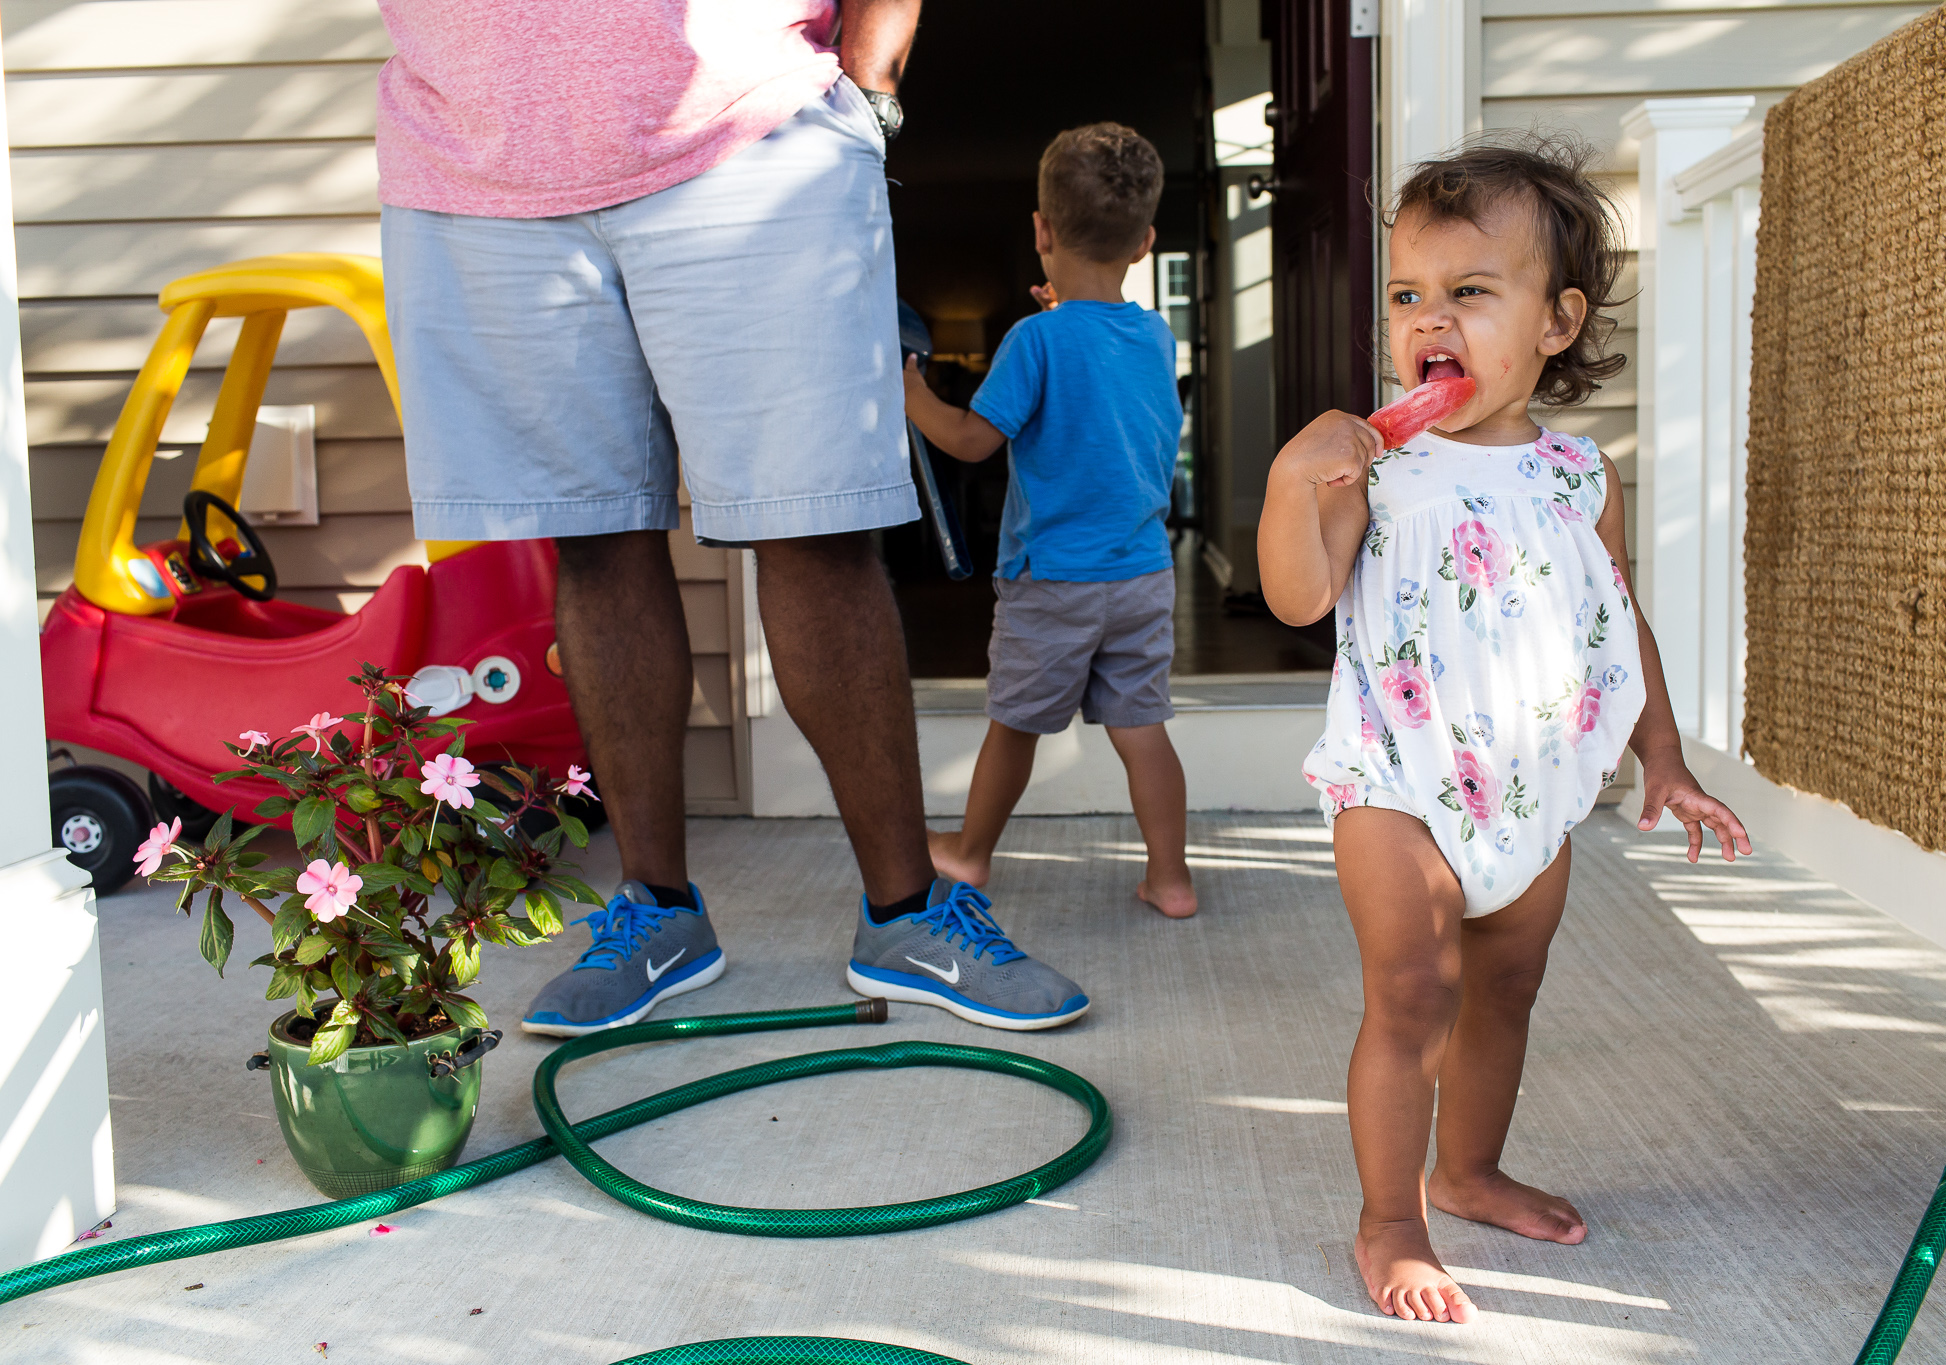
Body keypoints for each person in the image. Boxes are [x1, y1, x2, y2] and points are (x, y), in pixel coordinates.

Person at [373, 0, 1089, 1035]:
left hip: (749, 133)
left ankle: (906, 914)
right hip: (473, 169)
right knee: (594, 539)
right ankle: (657, 914)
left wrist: (874, 70)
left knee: (816, 532)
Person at [1256, 137, 1752, 1323]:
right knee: (1413, 992)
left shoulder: (1579, 475)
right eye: (1407, 295)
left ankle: (1466, 1171)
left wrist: (1665, 760)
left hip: (1529, 785)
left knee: (1507, 989)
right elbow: (1296, 600)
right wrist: (1291, 483)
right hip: (1399, 778)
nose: (1430, 319)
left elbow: (1612, 615)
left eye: (1469, 293)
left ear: (1555, 321)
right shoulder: (1370, 467)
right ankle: (1389, 1220)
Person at [901, 124, 1198, 921]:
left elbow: (970, 439)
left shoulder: (1033, 339)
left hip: (1054, 582)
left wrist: (912, 395)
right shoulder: (1154, 335)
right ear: (1144, 243)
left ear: (1040, 231)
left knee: (1015, 725)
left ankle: (968, 852)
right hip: (1141, 573)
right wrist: (1071, 314)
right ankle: (1170, 878)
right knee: (1142, 729)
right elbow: (1100, 385)